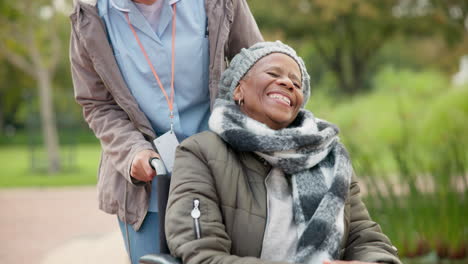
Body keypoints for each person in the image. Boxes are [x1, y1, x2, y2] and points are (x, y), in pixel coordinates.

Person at [165, 41, 402, 264]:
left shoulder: (330, 158)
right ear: (238, 89)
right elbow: (203, 254)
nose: (288, 83)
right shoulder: (201, 153)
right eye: (273, 74)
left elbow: (363, 235)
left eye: (296, 84)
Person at [69, 0, 262, 262]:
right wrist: (132, 152)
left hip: (225, 174)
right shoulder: (90, 14)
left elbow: (258, 66)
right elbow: (97, 104)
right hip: (149, 188)